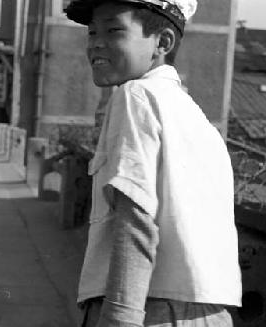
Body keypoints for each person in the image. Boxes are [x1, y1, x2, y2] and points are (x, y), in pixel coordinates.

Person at [64, 1, 242, 326]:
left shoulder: (135, 95)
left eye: (114, 30)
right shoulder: (197, 119)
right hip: (212, 313)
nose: (96, 43)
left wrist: (120, 317)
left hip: (150, 308)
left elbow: (136, 217)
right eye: (92, 32)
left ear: (162, 43)